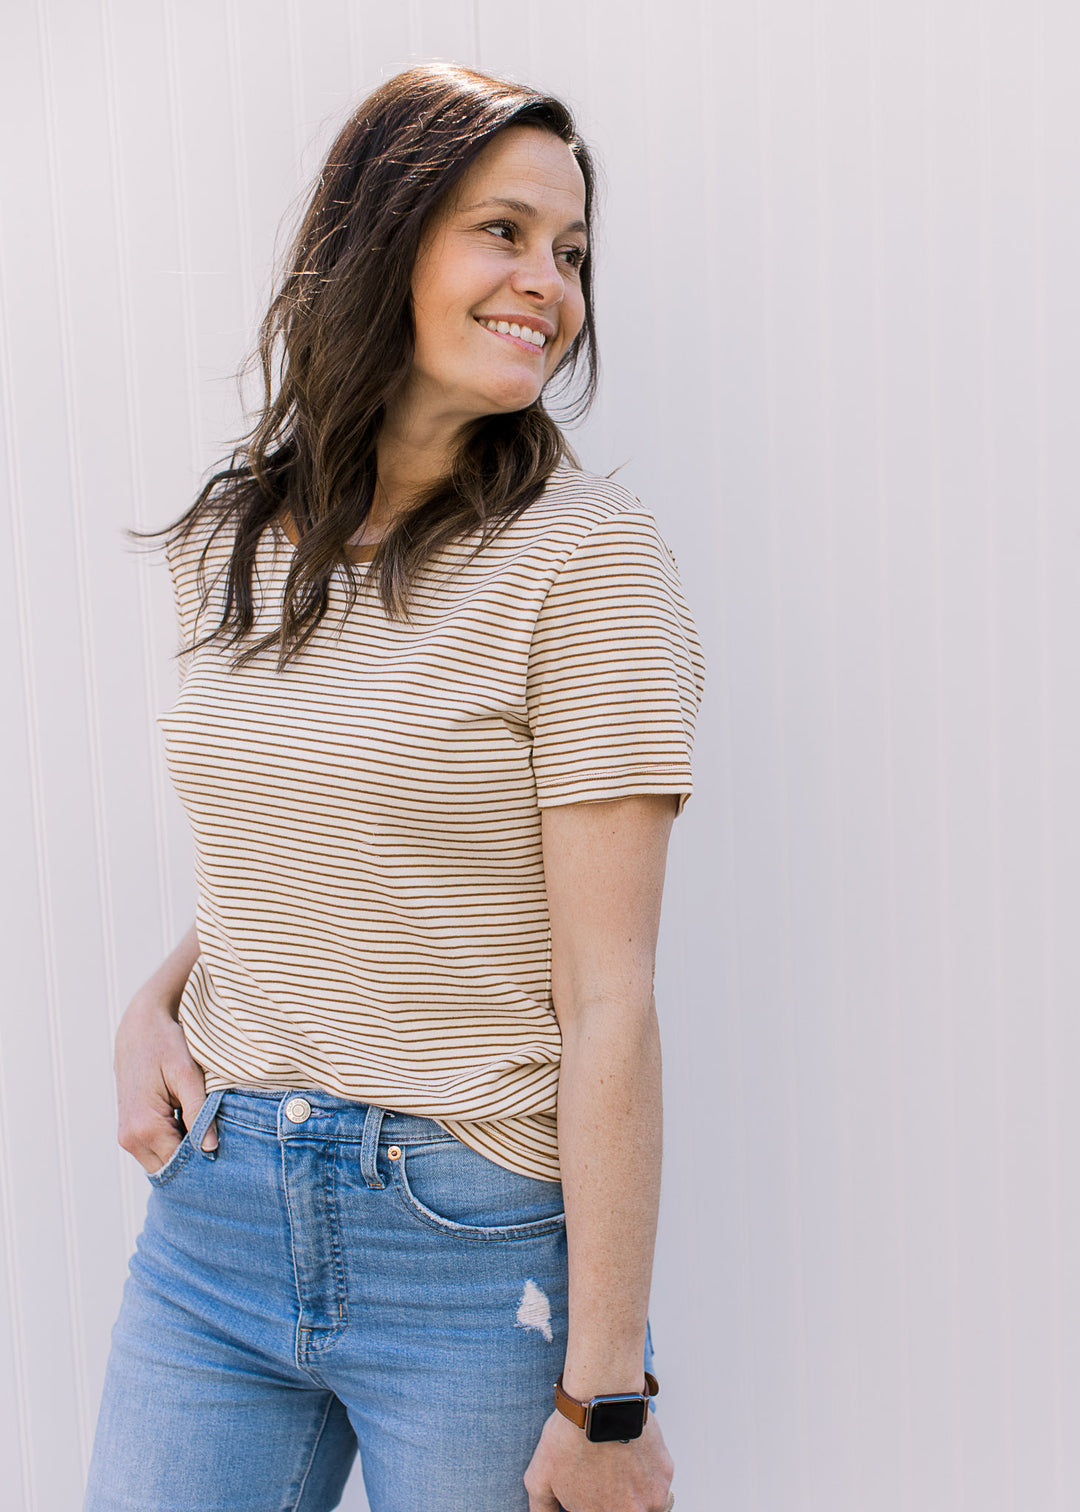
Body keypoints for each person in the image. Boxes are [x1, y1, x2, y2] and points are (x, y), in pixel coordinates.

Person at [84, 62, 704, 1512]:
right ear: (384, 237)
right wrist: (155, 998)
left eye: (571, 253)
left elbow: (608, 997)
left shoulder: (588, 567)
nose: (548, 284)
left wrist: (607, 1396)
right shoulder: (236, 536)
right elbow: (307, 841)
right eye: (504, 231)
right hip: (214, 1221)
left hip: (470, 1246)